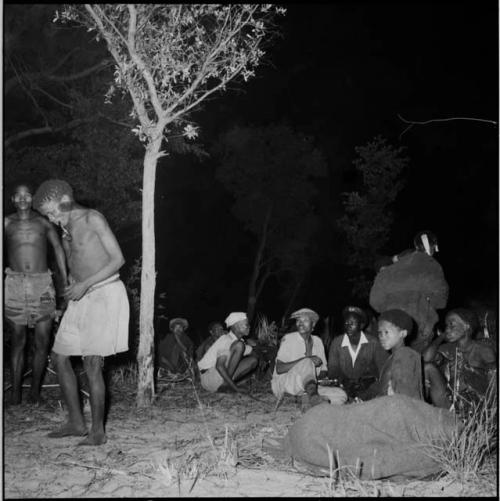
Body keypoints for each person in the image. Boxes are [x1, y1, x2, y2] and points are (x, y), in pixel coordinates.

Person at [33, 179, 129, 446]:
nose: (52, 219)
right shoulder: (66, 229)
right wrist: (74, 285)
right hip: (81, 299)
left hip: (104, 293)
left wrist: (86, 284)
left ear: (65, 199)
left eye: (53, 211)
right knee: (59, 357)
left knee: (92, 363)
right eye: (48, 216)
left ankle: (97, 432)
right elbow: (77, 261)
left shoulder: (93, 218)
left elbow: (117, 259)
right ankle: (76, 422)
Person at [4, 183, 68, 405]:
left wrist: (65, 280)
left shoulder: (43, 222)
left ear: (32, 198)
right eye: (18, 195)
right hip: (14, 285)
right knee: (18, 341)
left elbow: (58, 248)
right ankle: (15, 395)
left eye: (27, 195)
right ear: (13, 199)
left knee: (42, 340)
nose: (23, 199)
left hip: (43, 285)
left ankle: (34, 393)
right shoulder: (6, 223)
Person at [370, 230, 448, 353]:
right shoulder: (432, 266)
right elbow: (441, 301)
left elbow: (375, 302)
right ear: (433, 247)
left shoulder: (388, 270)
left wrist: (392, 309)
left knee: (395, 365)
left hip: (391, 328)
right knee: (417, 365)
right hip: (420, 328)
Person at [423, 308, 496, 418]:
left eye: (452, 325)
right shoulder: (447, 349)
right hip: (450, 404)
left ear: (467, 326)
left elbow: (494, 383)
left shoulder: (483, 351)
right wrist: (442, 336)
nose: (448, 329)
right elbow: (426, 358)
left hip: (477, 408)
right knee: (427, 368)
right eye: (446, 326)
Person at [271, 308, 347, 411]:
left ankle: (302, 399)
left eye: (305, 320)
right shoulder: (289, 339)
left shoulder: (318, 342)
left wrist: (321, 380)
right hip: (286, 383)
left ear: (313, 324)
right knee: (307, 362)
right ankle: (312, 398)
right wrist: (305, 359)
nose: (300, 323)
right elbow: (279, 368)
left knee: (341, 396)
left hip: (309, 387)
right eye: (298, 321)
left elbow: (323, 370)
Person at [360, 309, 424, 401]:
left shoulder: (405, 355)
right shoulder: (392, 357)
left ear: (403, 333)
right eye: (380, 333)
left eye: (386, 332)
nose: (382, 337)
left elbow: (404, 397)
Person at [327, 306, 388, 400]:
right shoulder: (337, 343)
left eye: (353, 323)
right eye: (346, 323)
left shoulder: (373, 343)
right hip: (345, 390)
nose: (348, 326)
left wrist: (369, 390)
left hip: (370, 389)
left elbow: (384, 371)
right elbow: (333, 371)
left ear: (361, 325)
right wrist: (344, 382)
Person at [197, 312, 258, 393]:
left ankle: (228, 385)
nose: (249, 327)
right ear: (236, 326)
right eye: (246, 324)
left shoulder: (239, 341)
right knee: (239, 346)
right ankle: (228, 386)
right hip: (209, 378)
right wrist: (236, 388)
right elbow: (219, 366)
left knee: (253, 360)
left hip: (217, 377)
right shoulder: (226, 339)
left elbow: (252, 351)